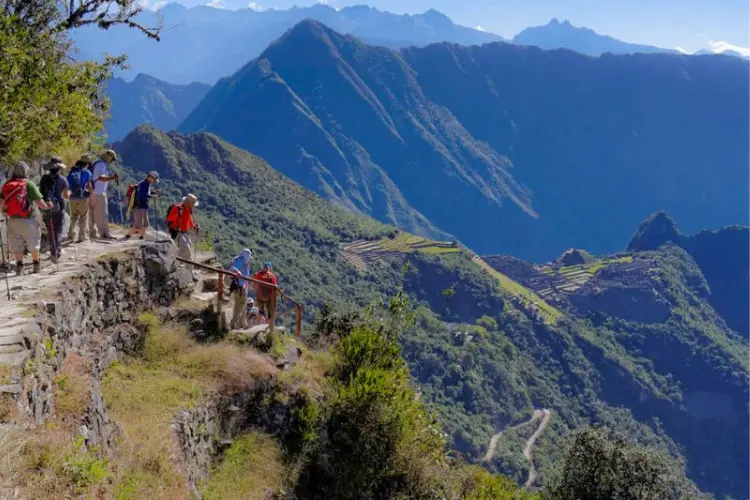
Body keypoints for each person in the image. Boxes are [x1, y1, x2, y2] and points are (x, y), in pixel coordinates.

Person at [0, 162, 51, 275]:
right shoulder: (29, 184)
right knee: (33, 243)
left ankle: (19, 268)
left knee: (17, 244)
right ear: (26, 171)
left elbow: (1, 203)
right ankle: (36, 266)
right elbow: (39, 202)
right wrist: (48, 208)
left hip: (12, 220)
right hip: (28, 219)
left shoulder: (7, 184)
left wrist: (5, 213)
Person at [39, 157, 71, 263]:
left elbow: (40, 192)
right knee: (58, 229)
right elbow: (66, 195)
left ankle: (53, 250)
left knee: (50, 229)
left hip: (46, 207)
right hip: (58, 207)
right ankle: (56, 252)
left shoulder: (44, 178)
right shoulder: (62, 179)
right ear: (59, 168)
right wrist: (68, 193)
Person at [89, 149, 119, 240]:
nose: (112, 161)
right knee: (102, 213)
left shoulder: (97, 163)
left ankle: (93, 233)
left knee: (93, 214)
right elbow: (101, 177)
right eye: (112, 159)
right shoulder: (101, 164)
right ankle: (104, 233)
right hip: (99, 192)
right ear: (109, 158)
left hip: (94, 191)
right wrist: (113, 178)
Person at [124, 171, 159, 240]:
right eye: (154, 180)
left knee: (146, 224)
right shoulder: (144, 184)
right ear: (151, 178)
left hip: (143, 206)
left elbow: (144, 193)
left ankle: (141, 238)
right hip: (139, 207)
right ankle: (126, 237)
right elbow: (142, 196)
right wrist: (152, 196)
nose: (154, 182)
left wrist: (152, 194)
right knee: (138, 226)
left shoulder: (145, 183)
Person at [66, 155, 93, 243]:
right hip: (82, 197)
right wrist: (91, 195)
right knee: (83, 216)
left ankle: (70, 234)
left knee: (73, 216)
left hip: (72, 197)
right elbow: (89, 186)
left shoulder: (72, 172)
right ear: (85, 165)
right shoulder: (87, 172)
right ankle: (81, 237)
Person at [166, 193, 199, 258]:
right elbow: (169, 218)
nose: (193, 206)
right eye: (192, 204)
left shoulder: (188, 209)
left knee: (188, 252)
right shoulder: (178, 208)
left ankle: (181, 263)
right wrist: (177, 214)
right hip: (178, 232)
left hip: (185, 232)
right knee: (187, 251)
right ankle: (175, 259)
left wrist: (194, 226)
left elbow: (189, 219)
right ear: (189, 203)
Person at [228, 248, 253, 329]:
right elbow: (232, 268)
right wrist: (237, 272)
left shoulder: (245, 263)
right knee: (239, 307)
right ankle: (234, 324)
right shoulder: (240, 261)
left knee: (242, 306)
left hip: (243, 287)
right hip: (240, 287)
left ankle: (241, 323)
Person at [253, 261, 279, 333]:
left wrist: (255, 289)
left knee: (260, 311)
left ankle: (256, 326)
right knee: (270, 312)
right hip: (269, 297)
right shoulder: (272, 276)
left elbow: (253, 284)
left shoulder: (258, 274)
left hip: (260, 296)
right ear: (270, 268)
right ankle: (269, 328)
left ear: (264, 267)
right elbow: (275, 287)